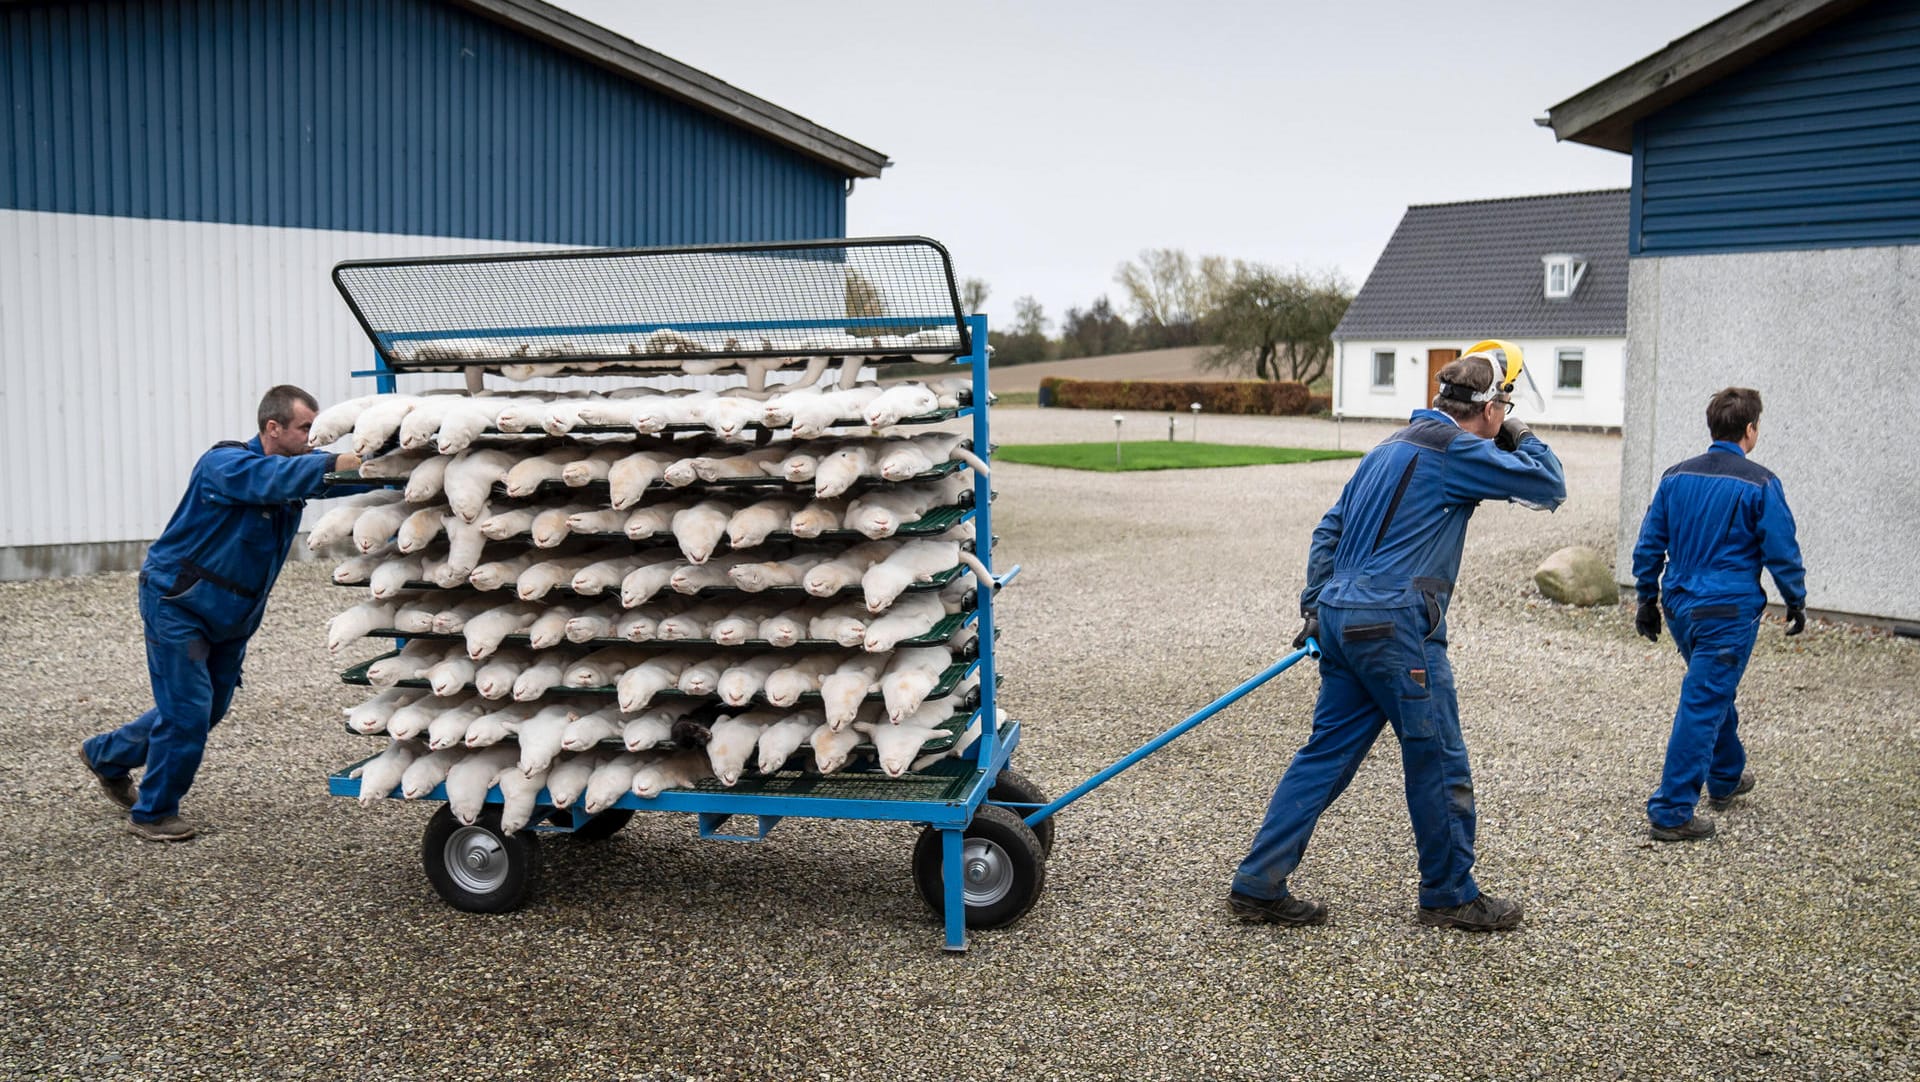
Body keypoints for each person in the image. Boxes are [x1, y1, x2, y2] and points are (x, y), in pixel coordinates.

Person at [1229, 347, 1566, 932]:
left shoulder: (1386, 447)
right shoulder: (1457, 449)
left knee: (1324, 755)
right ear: (1488, 408)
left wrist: (1316, 606)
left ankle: (1259, 881)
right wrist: (1519, 430)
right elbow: (1549, 485)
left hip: (1340, 620)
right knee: (1437, 757)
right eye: (1504, 403)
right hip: (1397, 629)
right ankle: (1450, 894)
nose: (1506, 412)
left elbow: (1329, 528)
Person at [79, 386, 364, 842]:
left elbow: (326, 478)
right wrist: (340, 463)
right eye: (306, 428)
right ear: (273, 428)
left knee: (207, 708)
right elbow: (277, 478)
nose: (317, 437)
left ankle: (107, 756)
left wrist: (395, 469)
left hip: (232, 614)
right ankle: (152, 813)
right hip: (179, 604)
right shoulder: (225, 465)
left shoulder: (289, 472)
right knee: (188, 712)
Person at [1631, 387, 1805, 842]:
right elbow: (1781, 550)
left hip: (1680, 608)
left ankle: (1726, 776)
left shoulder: (1675, 477)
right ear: (1750, 429)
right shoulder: (1761, 482)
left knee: (1711, 688)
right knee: (1704, 699)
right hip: (1727, 612)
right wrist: (1796, 599)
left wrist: (1646, 599)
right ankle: (1671, 810)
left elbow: (1650, 543)